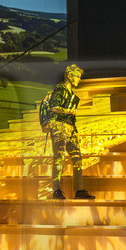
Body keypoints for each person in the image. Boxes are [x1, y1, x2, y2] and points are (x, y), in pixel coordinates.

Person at [44, 63, 94, 199]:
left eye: (79, 76)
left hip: (70, 129)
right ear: (68, 76)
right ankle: (56, 190)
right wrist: (69, 111)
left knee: (77, 158)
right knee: (59, 158)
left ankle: (79, 190)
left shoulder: (70, 92)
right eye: (77, 76)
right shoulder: (60, 89)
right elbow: (54, 106)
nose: (79, 79)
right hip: (60, 128)